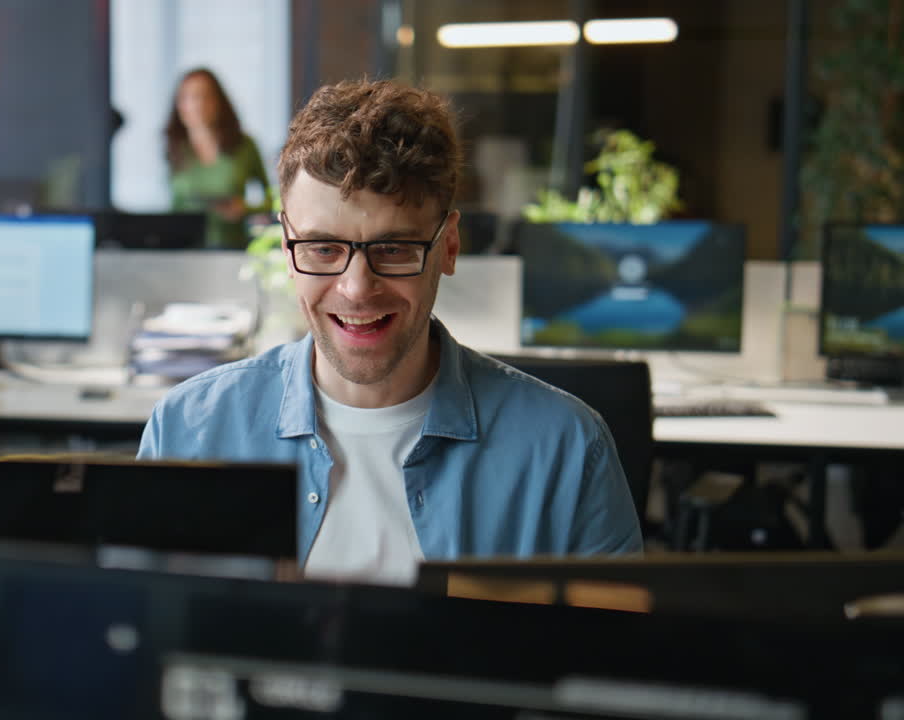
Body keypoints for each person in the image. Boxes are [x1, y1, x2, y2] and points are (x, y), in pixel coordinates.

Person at [139, 79, 641, 585]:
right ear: (287, 246)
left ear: (447, 247)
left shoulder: (567, 451)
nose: (356, 289)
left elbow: (610, 658)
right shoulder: (188, 432)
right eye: (322, 249)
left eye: (394, 249)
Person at [166, 68, 271, 249]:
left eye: (202, 96)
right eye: (187, 98)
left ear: (218, 101)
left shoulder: (244, 146)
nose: (195, 105)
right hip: (183, 250)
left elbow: (271, 199)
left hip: (232, 248)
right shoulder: (175, 148)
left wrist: (244, 208)